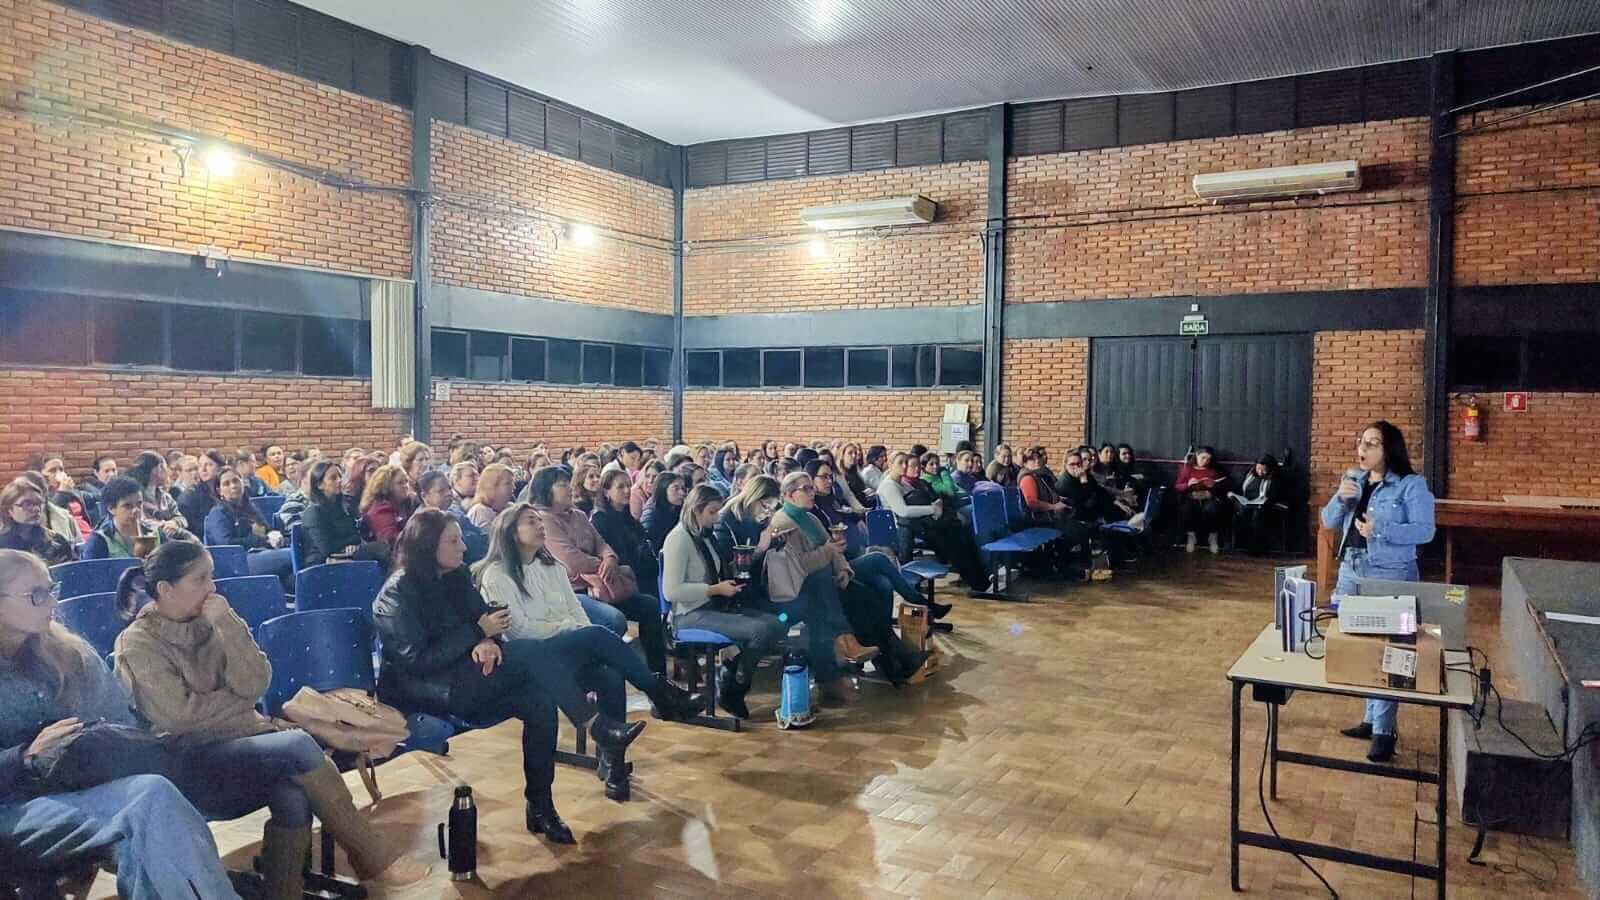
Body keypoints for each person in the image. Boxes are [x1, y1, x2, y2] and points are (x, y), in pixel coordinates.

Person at [111, 542, 428, 897]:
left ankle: (283, 893)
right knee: (295, 744)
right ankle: (371, 855)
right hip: (183, 763)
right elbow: (180, 718)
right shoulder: (136, 644)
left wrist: (227, 627)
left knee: (291, 792)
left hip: (242, 743)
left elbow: (256, 683)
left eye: (211, 576)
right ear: (166, 589)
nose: (212, 587)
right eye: (200, 579)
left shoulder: (216, 621)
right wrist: (239, 704)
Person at [0, 550, 243, 900]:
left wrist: (87, 740)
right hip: (13, 806)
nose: (51, 601)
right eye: (36, 595)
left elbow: (119, 722)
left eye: (51, 589)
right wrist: (25, 758)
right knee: (148, 801)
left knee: (147, 829)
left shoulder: (68, 655)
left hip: (80, 792)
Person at [375, 511, 615, 843]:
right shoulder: (396, 593)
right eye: (453, 541)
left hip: (466, 674)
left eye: (460, 538)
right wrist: (477, 632)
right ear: (428, 546)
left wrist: (487, 640)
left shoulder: (456, 578)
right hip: (425, 688)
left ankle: (541, 806)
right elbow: (416, 660)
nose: (463, 547)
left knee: (539, 700)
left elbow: (486, 621)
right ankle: (591, 722)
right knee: (530, 652)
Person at [474, 504, 696, 798]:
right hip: (533, 659)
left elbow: (576, 610)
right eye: (531, 522)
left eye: (540, 521)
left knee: (609, 673)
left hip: (570, 648)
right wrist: (572, 630)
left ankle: (613, 764)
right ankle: (660, 693)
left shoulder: (551, 566)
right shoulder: (497, 575)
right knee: (594, 635)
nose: (541, 526)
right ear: (511, 533)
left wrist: (575, 630)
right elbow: (520, 631)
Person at [1322, 422, 1436, 763]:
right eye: (1361, 443)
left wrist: (1380, 529)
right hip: (1351, 571)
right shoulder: (1353, 478)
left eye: (1372, 444)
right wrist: (1341, 502)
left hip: (1391, 573)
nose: (1363, 449)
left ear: (1389, 450)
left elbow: (1425, 531)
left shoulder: (1411, 486)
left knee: (1390, 649)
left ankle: (1385, 731)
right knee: (1358, 642)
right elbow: (1328, 520)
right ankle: (1371, 719)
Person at [529, 468, 669, 679]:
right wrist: (605, 565)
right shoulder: (544, 519)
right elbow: (571, 561)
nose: (569, 488)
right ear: (546, 490)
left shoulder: (578, 515)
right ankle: (606, 680)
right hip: (576, 591)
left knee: (649, 605)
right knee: (613, 619)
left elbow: (603, 544)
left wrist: (610, 560)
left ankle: (659, 677)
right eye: (562, 484)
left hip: (605, 584)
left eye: (568, 483)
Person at [662, 485, 785, 719]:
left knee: (777, 624)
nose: (717, 517)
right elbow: (671, 591)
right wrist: (714, 589)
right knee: (760, 630)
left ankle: (732, 673)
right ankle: (735, 685)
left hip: (712, 606)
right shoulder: (678, 539)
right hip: (689, 614)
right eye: (712, 512)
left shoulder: (704, 536)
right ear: (696, 510)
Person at [876, 453, 992, 593]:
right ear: (890, 464)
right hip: (906, 528)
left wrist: (935, 506)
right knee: (952, 542)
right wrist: (932, 509)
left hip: (923, 522)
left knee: (963, 536)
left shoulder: (904, 482)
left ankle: (981, 580)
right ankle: (978, 583)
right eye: (901, 463)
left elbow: (924, 499)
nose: (905, 466)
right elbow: (903, 511)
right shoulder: (889, 485)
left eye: (906, 462)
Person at [586, 469, 656, 636]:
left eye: (628, 486)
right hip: (616, 585)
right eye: (620, 487)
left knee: (652, 601)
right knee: (649, 604)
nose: (626, 491)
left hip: (637, 577)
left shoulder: (627, 518)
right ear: (606, 491)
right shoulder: (600, 520)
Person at [202, 469, 295, 592]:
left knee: (292, 578)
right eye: (227, 484)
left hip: (262, 553)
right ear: (219, 490)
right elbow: (226, 544)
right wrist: (263, 541)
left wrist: (275, 536)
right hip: (238, 562)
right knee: (292, 555)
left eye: (236, 481)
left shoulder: (249, 507)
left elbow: (266, 530)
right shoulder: (218, 513)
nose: (233, 486)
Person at [82, 477, 196, 560]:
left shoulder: (154, 533)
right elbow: (92, 577)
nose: (136, 510)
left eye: (139, 504)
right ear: (111, 508)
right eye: (127, 506)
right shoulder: (100, 540)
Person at [299, 461, 388, 567]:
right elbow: (327, 548)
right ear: (319, 485)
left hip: (345, 556)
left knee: (383, 549)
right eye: (333, 478)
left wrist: (352, 544)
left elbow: (355, 534)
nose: (340, 481)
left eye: (340, 476)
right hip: (321, 565)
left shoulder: (344, 506)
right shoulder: (313, 512)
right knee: (379, 550)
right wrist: (350, 542)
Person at [0, 478, 76, 564]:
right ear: (8, 510)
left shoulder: (57, 541)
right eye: (27, 504)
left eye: (39, 503)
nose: (36, 509)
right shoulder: (2, 547)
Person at [1177, 446, 1229, 554]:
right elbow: (1177, 486)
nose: (1205, 461)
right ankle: (1191, 537)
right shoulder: (1188, 468)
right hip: (1192, 497)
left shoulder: (1213, 470)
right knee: (1187, 509)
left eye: (1208, 459)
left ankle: (1212, 537)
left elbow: (1222, 487)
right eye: (1203, 458)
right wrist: (1188, 484)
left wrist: (1213, 487)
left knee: (1212, 509)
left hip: (1208, 497)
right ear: (1197, 456)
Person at [1230, 454, 1281, 556]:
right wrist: (1233, 494)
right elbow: (1239, 488)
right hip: (1247, 502)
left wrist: (1263, 501)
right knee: (1244, 512)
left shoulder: (1275, 478)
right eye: (1258, 468)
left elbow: (1275, 496)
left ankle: (1257, 549)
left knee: (1257, 515)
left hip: (1265, 505)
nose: (1260, 472)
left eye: (1263, 470)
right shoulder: (1249, 475)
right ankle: (1243, 546)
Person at [126, 451, 188, 532]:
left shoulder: (165, 496)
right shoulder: (134, 496)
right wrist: (163, 525)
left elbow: (182, 519)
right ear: (158, 468)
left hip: (170, 535)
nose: (167, 472)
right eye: (165, 467)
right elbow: (139, 521)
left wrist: (174, 522)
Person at [359, 464, 414, 550]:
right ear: (386, 486)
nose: (406, 486)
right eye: (400, 483)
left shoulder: (407, 504)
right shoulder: (381, 509)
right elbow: (390, 539)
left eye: (406, 481)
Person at [640, 471, 687, 553]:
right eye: (676, 488)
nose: (682, 493)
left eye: (683, 488)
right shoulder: (651, 515)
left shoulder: (678, 509)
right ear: (663, 488)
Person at [468, 463, 517, 530]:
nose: (514, 487)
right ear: (491, 486)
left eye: (513, 483)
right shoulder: (480, 511)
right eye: (507, 483)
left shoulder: (510, 507)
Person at [79, 453, 119, 524]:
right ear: (96, 472)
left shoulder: (121, 487)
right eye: (106, 471)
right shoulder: (86, 488)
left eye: (113, 470)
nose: (111, 474)